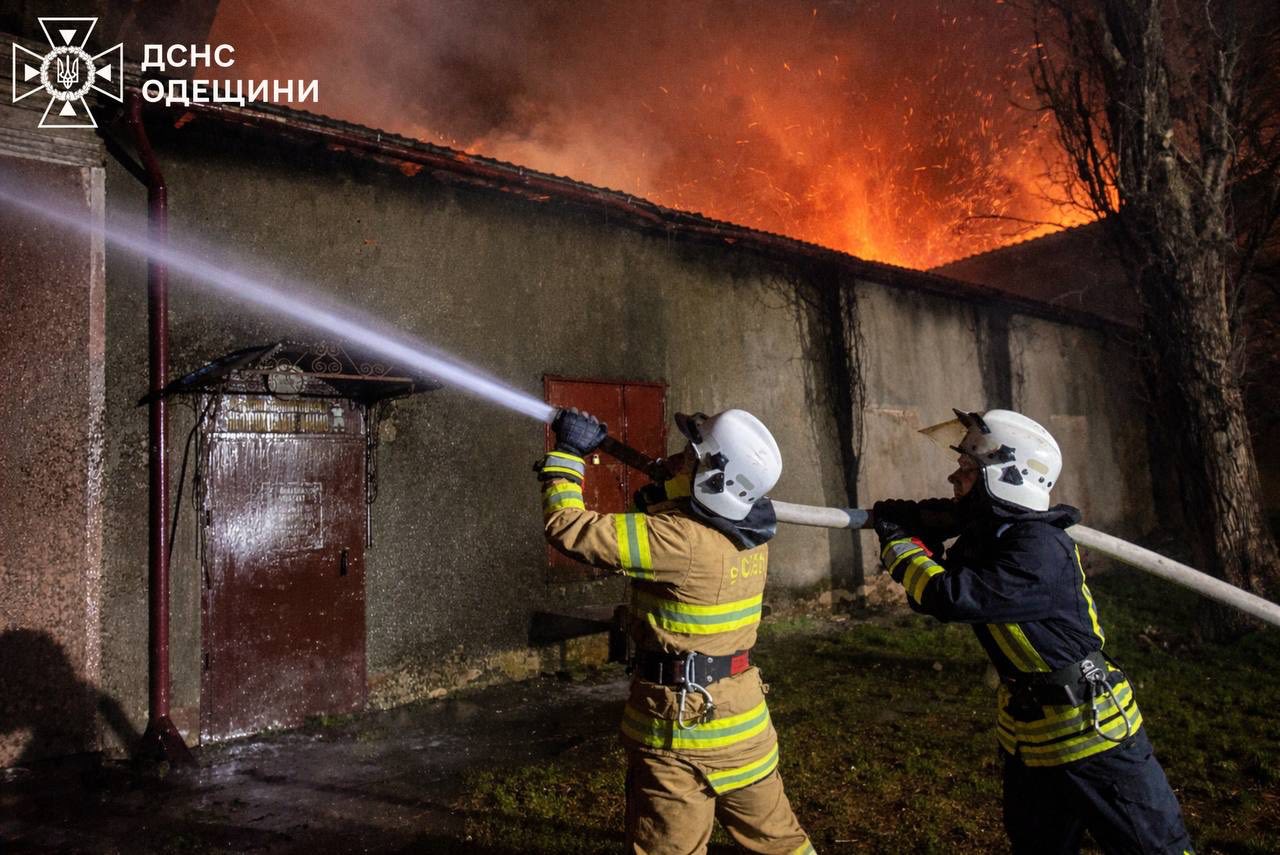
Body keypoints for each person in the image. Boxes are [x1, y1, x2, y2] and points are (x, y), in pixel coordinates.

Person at [872, 408, 1194, 855]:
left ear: (1005, 477)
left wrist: (899, 541)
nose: (953, 478)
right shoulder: (993, 536)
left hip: (1094, 739)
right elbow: (929, 587)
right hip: (1031, 744)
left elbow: (948, 596)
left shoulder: (1039, 548)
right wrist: (927, 523)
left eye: (968, 470)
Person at [536, 407, 816, 855]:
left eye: (689, 454)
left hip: (681, 733)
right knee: (780, 845)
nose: (676, 456)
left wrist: (568, 455)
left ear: (711, 476)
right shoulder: (750, 533)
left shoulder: (676, 541)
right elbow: (653, 509)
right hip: (744, 728)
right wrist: (672, 477)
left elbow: (570, 529)